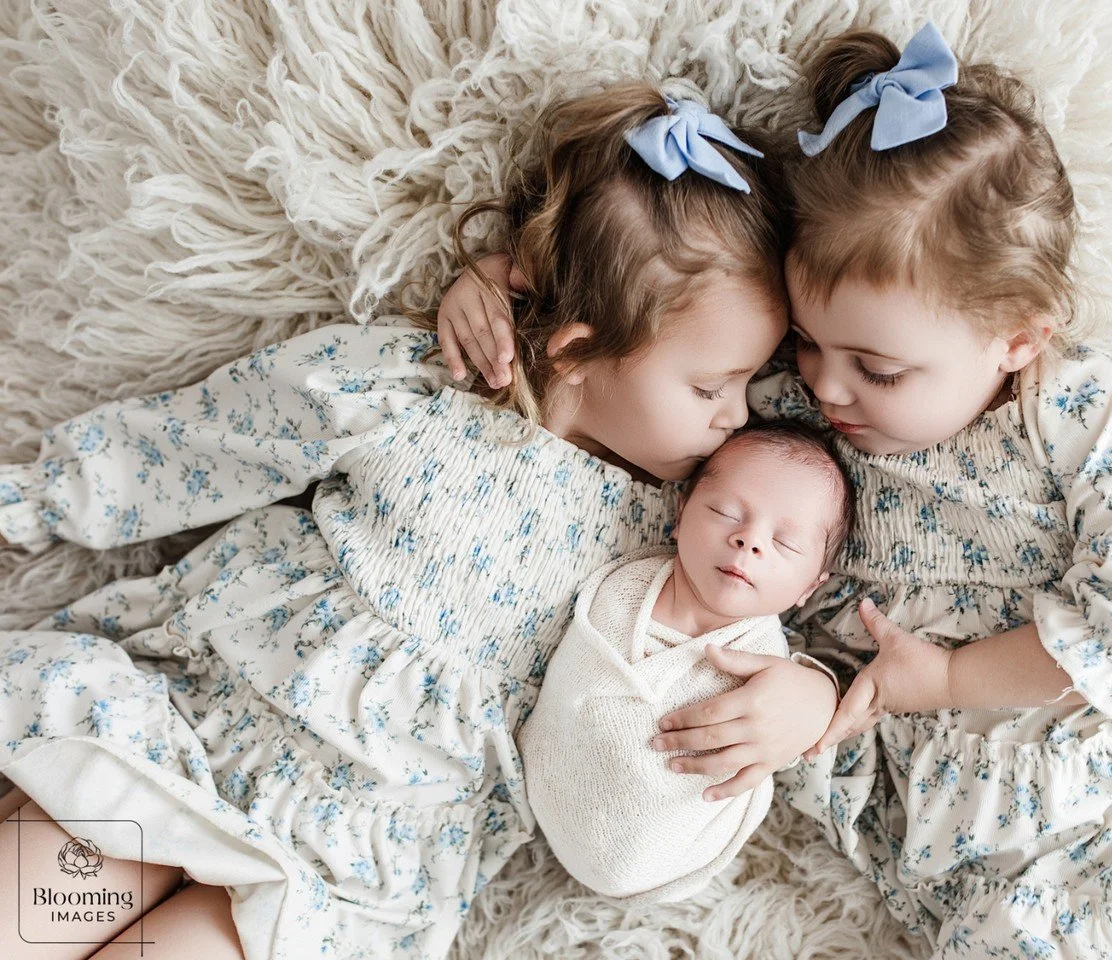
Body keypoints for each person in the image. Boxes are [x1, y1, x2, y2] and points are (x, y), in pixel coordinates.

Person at [446, 22, 1112, 959]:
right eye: (812, 343)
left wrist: (947, 679)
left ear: (1017, 338)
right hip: (979, 843)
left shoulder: (1075, 415)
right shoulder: (797, 415)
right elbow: (653, 343)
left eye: (878, 368)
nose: (827, 382)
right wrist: (509, 287)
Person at [0, 85, 839, 960]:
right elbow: (222, 434)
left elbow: (755, 609)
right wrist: (41, 497)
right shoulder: (420, 391)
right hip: (197, 724)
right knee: (26, 909)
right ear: (576, 350)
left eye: (745, 386)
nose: (737, 418)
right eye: (711, 388)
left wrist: (809, 698)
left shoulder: (684, 527)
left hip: (355, 848)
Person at [521, 419, 856, 904]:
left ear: (810, 587)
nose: (749, 540)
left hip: (669, 851)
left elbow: (783, 738)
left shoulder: (768, 667)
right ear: (680, 514)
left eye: (784, 543)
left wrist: (820, 692)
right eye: (724, 511)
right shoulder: (623, 585)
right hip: (551, 793)